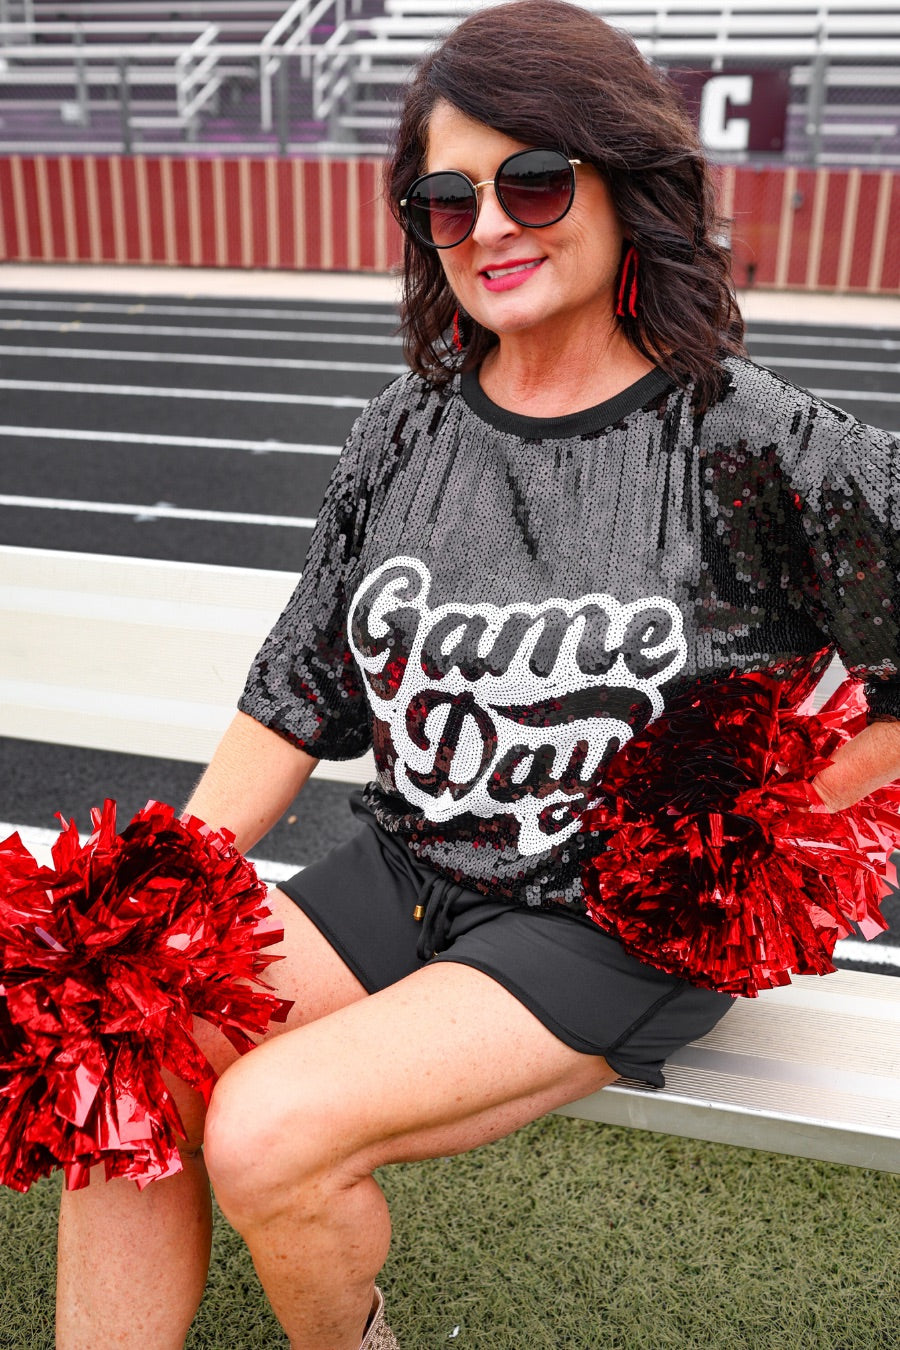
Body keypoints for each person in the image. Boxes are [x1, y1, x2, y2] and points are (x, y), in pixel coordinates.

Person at [55, 2, 900, 1346]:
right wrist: (147, 898)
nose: (493, 226)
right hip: (413, 864)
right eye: (448, 202)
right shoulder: (406, 431)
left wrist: (772, 813)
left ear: (627, 185)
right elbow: (300, 686)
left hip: (604, 915)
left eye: (536, 181)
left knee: (270, 1131)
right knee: (124, 1016)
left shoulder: (756, 437)